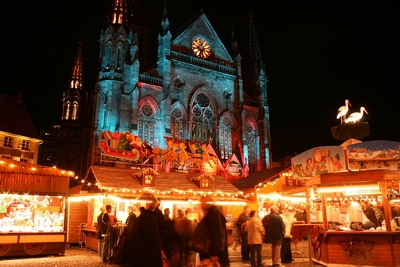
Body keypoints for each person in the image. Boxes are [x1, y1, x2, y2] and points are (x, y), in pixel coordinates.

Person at [130, 193, 162, 267]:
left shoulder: (140, 219)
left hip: (139, 257)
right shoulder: (150, 219)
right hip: (147, 258)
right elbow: (153, 243)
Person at [197, 196, 229, 267]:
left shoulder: (213, 214)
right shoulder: (213, 212)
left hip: (211, 251)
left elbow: (216, 234)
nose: (200, 205)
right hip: (211, 251)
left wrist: (214, 253)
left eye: (201, 203)